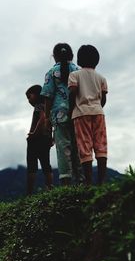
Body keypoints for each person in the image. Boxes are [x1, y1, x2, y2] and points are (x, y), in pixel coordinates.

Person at [41, 43, 83, 186]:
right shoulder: (78, 70)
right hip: (78, 113)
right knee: (78, 147)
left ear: (54, 57)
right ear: (71, 55)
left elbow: (47, 96)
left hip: (60, 115)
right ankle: (81, 181)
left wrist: (46, 118)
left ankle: (66, 182)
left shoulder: (51, 72)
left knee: (63, 148)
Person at [68, 44, 108, 185]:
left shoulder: (74, 75)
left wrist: (71, 110)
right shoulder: (101, 78)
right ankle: (101, 182)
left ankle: (88, 182)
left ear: (79, 60)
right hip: (98, 112)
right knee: (100, 145)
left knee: (85, 147)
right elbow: (103, 99)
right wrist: (96, 106)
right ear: (97, 60)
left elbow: (72, 94)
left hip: (80, 113)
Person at [26, 85, 53, 195]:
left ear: (37, 94)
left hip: (36, 140)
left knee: (31, 166)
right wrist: (51, 137)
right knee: (46, 164)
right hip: (46, 139)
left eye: (29, 96)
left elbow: (42, 119)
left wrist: (33, 133)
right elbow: (48, 122)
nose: (28, 100)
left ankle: (29, 193)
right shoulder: (47, 107)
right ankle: (49, 189)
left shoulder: (38, 106)